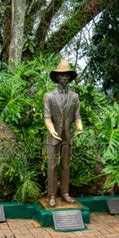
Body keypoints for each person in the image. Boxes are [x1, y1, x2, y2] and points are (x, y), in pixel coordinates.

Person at [44, 59, 83, 207]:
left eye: (67, 75)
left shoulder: (75, 97)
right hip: (54, 136)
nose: (64, 78)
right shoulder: (48, 96)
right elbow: (47, 117)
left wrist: (79, 127)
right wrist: (52, 130)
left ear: (70, 77)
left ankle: (65, 193)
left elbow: (77, 116)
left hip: (67, 135)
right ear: (57, 77)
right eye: (62, 75)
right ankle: (52, 195)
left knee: (66, 165)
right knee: (52, 165)